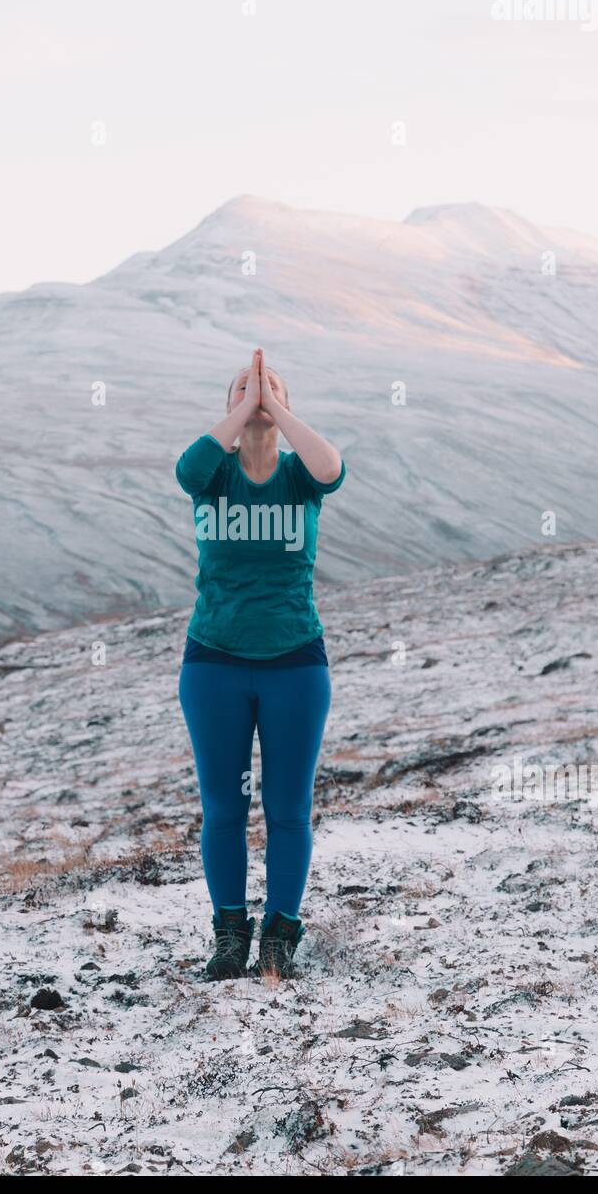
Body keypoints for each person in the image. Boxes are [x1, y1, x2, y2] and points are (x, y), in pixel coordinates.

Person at [175, 347, 346, 979]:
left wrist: (273, 406)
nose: (257, 397)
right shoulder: (212, 477)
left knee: (287, 807)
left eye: (270, 389)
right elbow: (189, 466)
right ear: (229, 408)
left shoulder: (301, 476)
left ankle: (279, 934)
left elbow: (331, 467)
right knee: (223, 807)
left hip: (295, 664)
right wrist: (246, 405)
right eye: (243, 390)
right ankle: (229, 933)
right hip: (214, 664)